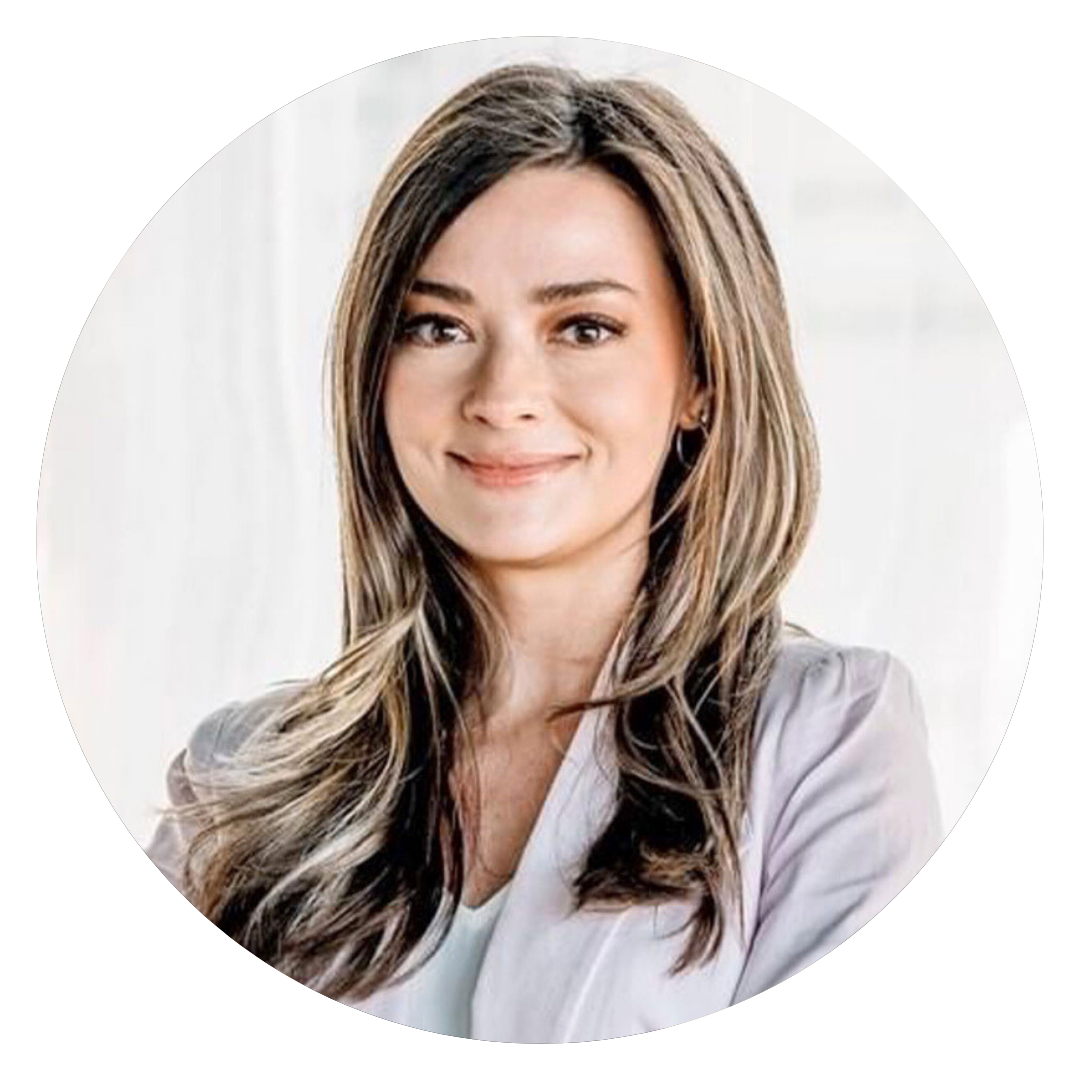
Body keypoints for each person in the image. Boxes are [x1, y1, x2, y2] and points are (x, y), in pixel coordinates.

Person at [146, 63, 942, 1042]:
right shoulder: (242, 773)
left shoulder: (826, 739)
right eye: (439, 326)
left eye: (583, 327)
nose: (502, 393)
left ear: (701, 377)